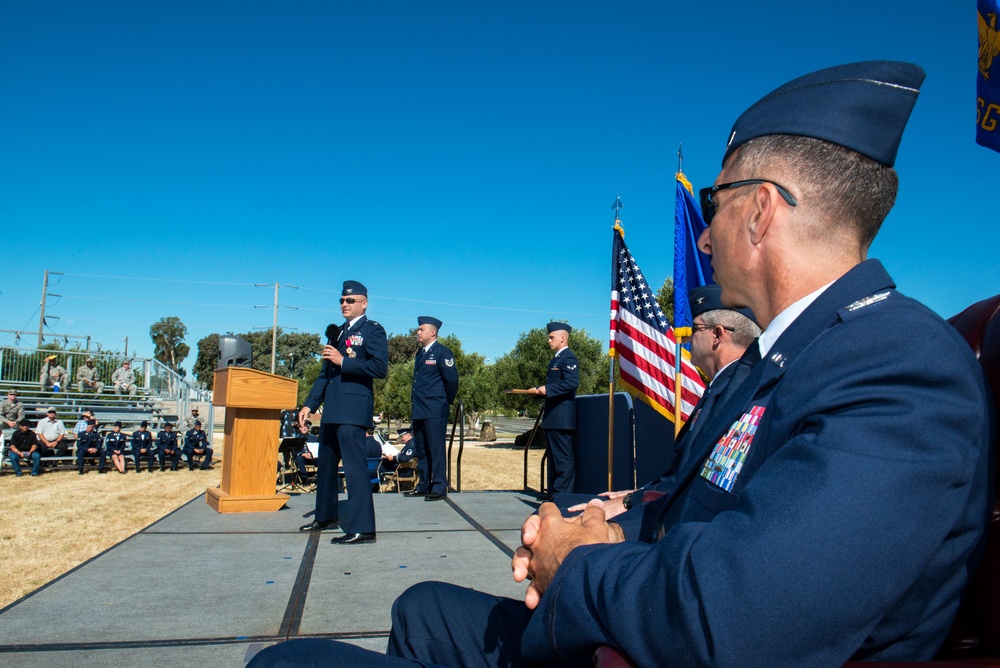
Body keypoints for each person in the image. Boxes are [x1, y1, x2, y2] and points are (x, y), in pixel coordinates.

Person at [251, 61, 994, 667]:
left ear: (762, 210)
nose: (704, 240)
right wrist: (602, 515)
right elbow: (693, 505)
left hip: (661, 641)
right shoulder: (789, 359)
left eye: (717, 203)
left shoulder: (899, 365)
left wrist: (577, 566)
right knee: (422, 610)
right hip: (638, 618)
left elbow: (736, 616)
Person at [567, 284, 760, 518]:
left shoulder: (739, 392)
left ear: (717, 335)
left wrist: (631, 501)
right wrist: (643, 491)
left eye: (694, 329)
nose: (686, 338)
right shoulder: (727, 386)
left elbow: (701, 483)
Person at [298, 280, 388, 544]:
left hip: (353, 410)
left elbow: (380, 368)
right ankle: (325, 516)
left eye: (350, 300)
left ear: (364, 303)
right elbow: (325, 374)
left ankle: (363, 529)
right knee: (325, 465)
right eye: (341, 300)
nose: (345, 304)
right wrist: (309, 405)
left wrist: (344, 361)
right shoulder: (336, 332)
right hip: (332, 411)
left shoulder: (372, 330)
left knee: (354, 469)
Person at [404, 316, 459, 501]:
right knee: (422, 449)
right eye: (418, 330)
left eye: (421, 329)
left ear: (433, 332)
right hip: (419, 409)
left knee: (436, 449)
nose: (417, 333)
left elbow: (451, 380)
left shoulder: (442, 352)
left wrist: (443, 401)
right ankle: (423, 485)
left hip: (435, 409)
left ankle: (438, 487)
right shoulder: (420, 354)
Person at [525, 322, 579, 500]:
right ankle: (554, 493)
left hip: (562, 417)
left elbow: (571, 383)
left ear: (562, 338)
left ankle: (563, 496)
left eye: (551, 337)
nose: (548, 341)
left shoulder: (568, 358)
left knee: (563, 459)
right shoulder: (556, 359)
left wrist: (547, 389)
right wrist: (538, 392)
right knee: (554, 458)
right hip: (552, 415)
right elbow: (556, 385)